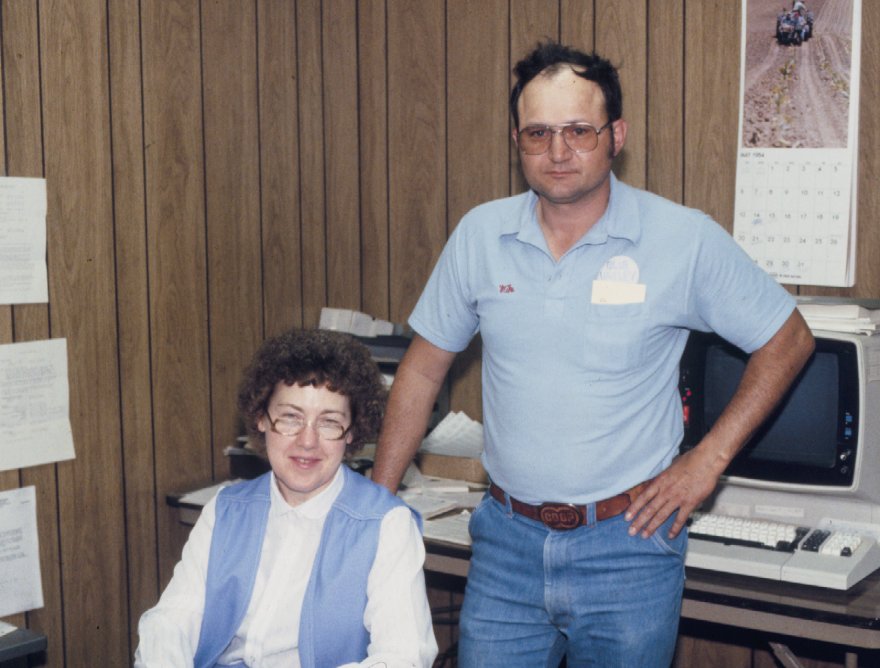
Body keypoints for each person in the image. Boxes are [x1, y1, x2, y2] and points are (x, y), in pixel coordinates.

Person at [372, 41, 814, 667]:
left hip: (629, 547)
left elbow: (788, 338)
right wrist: (377, 503)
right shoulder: (480, 235)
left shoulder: (681, 238)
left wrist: (707, 460)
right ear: (517, 142)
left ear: (616, 137)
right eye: (539, 133)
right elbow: (420, 371)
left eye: (579, 131)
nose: (558, 151)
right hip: (505, 545)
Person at [135, 329, 438, 667]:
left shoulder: (387, 525)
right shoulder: (224, 510)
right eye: (291, 418)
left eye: (329, 422)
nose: (307, 441)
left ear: (352, 432)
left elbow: (403, 656)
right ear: (261, 419)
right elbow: (172, 620)